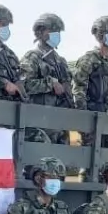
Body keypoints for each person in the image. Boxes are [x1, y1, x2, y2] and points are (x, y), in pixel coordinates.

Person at [0, 4, 45, 142]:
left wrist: (21, 86)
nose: (6, 28)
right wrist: (2, 83)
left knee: (39, 140)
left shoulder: (9, 54)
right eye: (2, 24)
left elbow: (20, 78)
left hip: (14, 114)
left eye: (7, 25)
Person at [19, 13, 73, 145]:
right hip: (39, 126)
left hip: (60, 125)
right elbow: (24, 86)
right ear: (40, 32)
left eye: (58, 31)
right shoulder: (32, 57)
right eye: (52, 30)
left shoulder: (61, 61)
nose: (56, 34)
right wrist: (50, 83)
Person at [71, 16, 108, 148]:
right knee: (91, 155)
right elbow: (78, 91)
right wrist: (84, 122)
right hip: (92, 119)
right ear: (102, 36)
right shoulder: (88, 60)